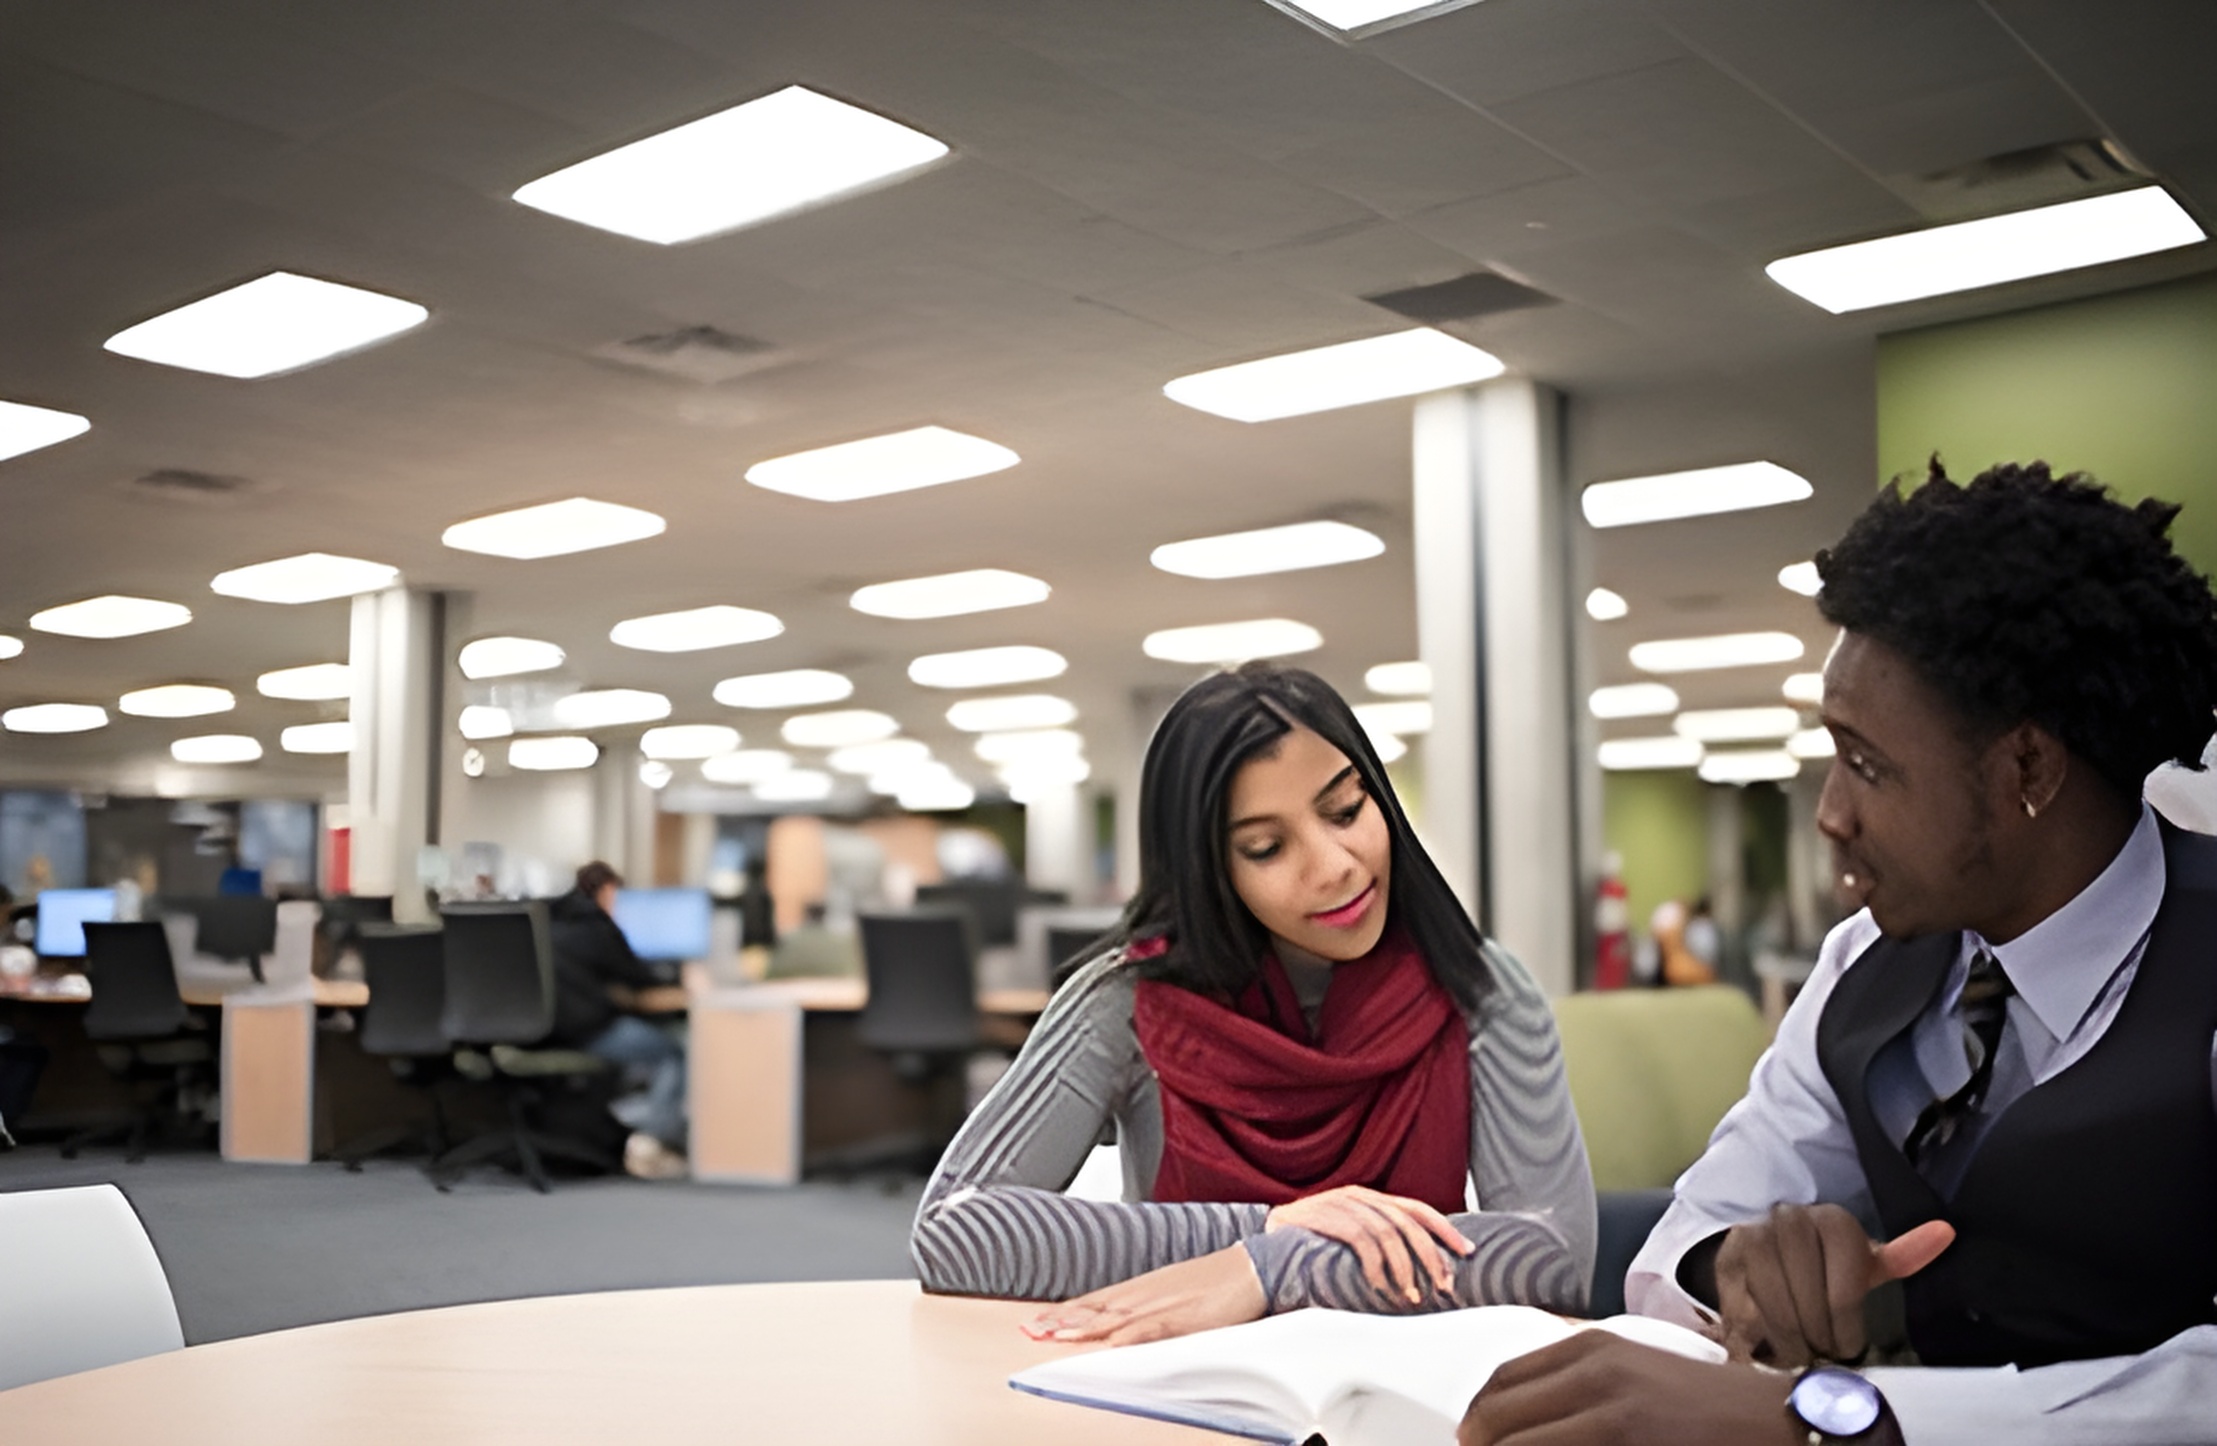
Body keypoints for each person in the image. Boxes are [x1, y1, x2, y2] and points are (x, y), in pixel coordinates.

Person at [1460, 461, 2217, 1445]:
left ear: (2027, 768)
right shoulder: (1867, 962)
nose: (1829, 813)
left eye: (1867, 765)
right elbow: (1681, 1245)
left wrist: (1843, 1416)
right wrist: (1734, 1266)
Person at [911, 662, 1594, 1345]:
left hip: (1412, 1382)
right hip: (1192, 1384)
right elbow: (954, 1229)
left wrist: (1271, 1266)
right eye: (1265, 848)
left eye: (1346, 811)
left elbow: (1553, 1256)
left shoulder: (1479, 987)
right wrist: (1257, 1229)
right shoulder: (1125, 1002)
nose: (1334, 866)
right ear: (1209, 871)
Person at [547, 861, 688, 1181]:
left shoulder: (545, 920)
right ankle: (652, 1143)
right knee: (673, 1051)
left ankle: (624, 1125)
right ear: (608, 890)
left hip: (540, 1033)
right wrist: (679, 983)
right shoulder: (595, 925)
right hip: (586, 1032)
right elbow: (638, 978)